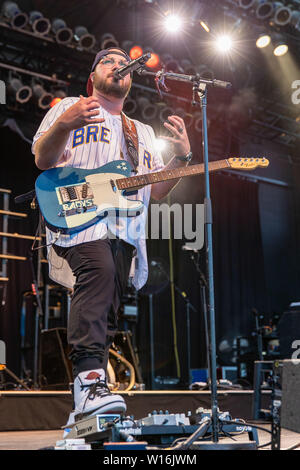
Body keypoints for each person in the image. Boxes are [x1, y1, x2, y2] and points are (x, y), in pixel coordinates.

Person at [32, 47, 192, 424]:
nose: (117, 65)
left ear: (131, 79)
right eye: (108, 60)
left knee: (109, 309)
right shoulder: (72, 105)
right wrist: (65, 124)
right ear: (93, 77)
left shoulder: (142, 132)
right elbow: (42, 157)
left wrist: (182, 159)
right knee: (99, 274)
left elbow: (155, 190)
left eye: (123, 63)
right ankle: (89, 382)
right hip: (78, 214)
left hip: (124, 230)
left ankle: (88, 409)